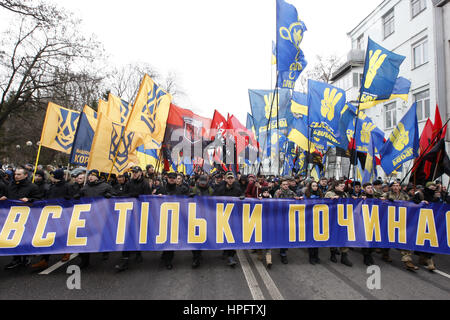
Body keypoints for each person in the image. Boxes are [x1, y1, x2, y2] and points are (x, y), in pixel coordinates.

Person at [1, 167, 41, 270]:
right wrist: (4, 198)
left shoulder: (33, 187)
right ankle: (16, 259)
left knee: (25, 237)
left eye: (19, 174)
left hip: (27, 217)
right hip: (12, 216)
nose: (16, 176)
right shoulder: (11, 185)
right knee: (14, 237)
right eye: (15, 174)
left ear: (25, 175)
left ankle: (26, 256)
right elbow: (8, 196)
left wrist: (29, 199)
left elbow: (40, 200)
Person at [31, 169, 72, 270]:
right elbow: (45, 198)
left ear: (57, 177)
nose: (51, 177)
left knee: (62, 235)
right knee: (48, 237)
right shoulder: (51, 186)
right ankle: (44, 260)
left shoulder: (68, 186)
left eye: (53, 176)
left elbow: (72, 199)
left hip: (63, 215)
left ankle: (66, 251)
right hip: (50, 214)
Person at [73, 169, 113, 269]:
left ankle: (105, 251)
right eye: (89, 175)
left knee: (101, 235)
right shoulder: (86, 187)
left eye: (93, 175)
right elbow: (80, 195)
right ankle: (84, 260)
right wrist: (77, 196)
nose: (90, 177)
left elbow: (115, 196)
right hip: (88, 216)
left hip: (101, 215)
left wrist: (109, 196)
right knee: (86, 238)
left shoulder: (106, 186)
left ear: (97, 177)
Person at [114, 166, 152, 272]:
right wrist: (130, 195)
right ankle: (125, 259)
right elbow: (123, 195)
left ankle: (138, 252)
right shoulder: (129, 183)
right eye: (133, 172)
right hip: (128, 212)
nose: (134, 174)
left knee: (137, 234)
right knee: (126, 235)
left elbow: (148, 198)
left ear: (140, 173)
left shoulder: (145, 184)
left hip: (140, 212)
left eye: (136, 172)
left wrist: (139, 196)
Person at [155, 172, 189, 270]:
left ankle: (168, 260)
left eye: (173, 178)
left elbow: (185, 201)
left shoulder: (180, 190)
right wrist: (157, 196)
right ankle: (165, 253)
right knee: (164, 238)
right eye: (170, 178)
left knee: (171, 239)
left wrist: (190, 197)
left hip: (175, 218)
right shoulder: (161, 189)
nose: (172, 179)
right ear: (167, 178)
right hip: (163, 218)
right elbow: (152, 200)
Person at [381, 181, 417, 271]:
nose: (396, 187)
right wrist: (385, 201)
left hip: (401, 221)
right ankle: (385, 254)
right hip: (388, 220)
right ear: (391, 187)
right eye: (394, 186)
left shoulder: (404, 196)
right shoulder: (387, 194)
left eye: (397, 186)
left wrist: (420, 202)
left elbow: (411, 204)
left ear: (400, 187)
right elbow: (380, 201)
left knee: (403, 239)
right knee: (388, 239)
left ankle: (407, 260)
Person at [213, 171, 244, 267]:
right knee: (224, 235)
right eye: (228, 178)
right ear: (225, 179)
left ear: (234, 179)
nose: (230, 180)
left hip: (234, 217)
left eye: (232, 178)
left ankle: (231, 256)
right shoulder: (220, 189)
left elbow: (243, 196)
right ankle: (226, 251)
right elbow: (212, 199)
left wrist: (243, 197)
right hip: (222, 216)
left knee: (232, 236)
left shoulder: (237, 189)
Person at [325, 181, 353, 267]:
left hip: (343, 218)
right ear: (336, 186)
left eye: (343, 186)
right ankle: (333, 254)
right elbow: (325, 203)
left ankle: (344, 256)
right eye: (341, 186)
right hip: (333, 218)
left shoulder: (344, 194)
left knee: (344, 237)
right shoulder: (329, 193)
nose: (343, 187)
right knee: (334, 236)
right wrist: (332, 199)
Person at [274, 178, 297, 265]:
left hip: (288, 216)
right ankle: (282, 251)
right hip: (280, 216)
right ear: (281, 185)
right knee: (281, 234)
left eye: (287, 184)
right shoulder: (278, 192)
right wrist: (277, 196)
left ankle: (283, 251)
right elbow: (273, 202)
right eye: (284, 184)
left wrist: (298, 198)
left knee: (286, 234)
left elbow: (296, 199)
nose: (285, 186)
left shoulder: (291, 192)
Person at [304, 181, 323, 265]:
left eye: (316, 186)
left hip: (318, 218)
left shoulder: (320, 194)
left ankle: (316, 256)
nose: (315, 187)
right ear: (310, 187)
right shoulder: (307, 195)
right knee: (311, 238)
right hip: (309, 218)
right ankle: (311, 257)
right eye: (313, 186)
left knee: (317, 238)